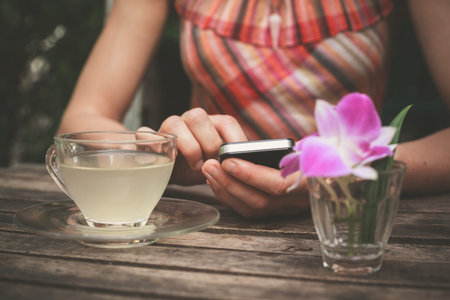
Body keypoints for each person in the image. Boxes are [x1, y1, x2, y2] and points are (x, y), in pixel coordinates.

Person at [58, 0, 450, 218]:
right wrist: (158, 153)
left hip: (352, 224)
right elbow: (83, 118)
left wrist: (349, 176)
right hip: (213, 227)